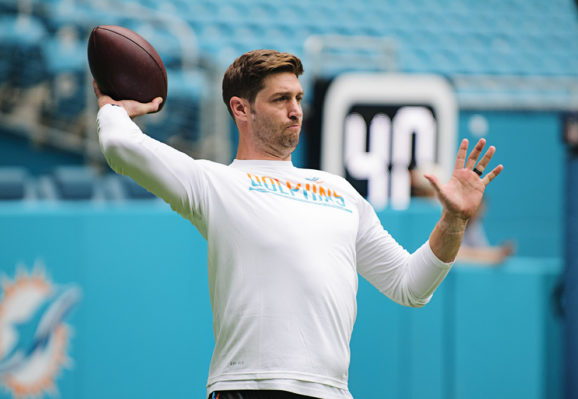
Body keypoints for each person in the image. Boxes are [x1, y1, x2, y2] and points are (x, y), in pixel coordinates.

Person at [94, 49, 503, 399]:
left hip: (332, 391)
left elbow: (410, 286)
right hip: (248, 387)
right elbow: (119, 145)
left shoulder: (340, 192)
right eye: (279, 99)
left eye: (299, 98)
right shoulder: (215, 183)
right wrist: (115, 108)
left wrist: (453, 219)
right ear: (241, 108)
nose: (295, 110)